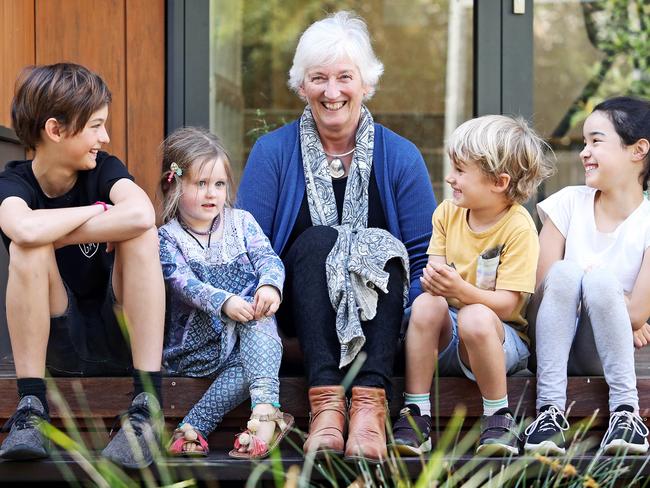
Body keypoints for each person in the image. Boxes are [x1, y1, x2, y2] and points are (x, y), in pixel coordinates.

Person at [237, 11, 436, 462]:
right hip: (296, 315)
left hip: (386, 321)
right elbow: (247, 250)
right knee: (320, 241)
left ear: (366, 83)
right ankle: (327, 410)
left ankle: (368, 410)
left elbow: (425, 261)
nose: (332, 92)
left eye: (345, 77)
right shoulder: (273, 154)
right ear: (301, 85)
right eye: (318, 78)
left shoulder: (401, 157)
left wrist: (406, 322)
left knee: (381, 247)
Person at [0, 63, 165, 469]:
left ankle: (148, 405)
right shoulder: (14, 182)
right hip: (59, 341)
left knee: (140, 235)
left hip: (118, 332)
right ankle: (32, 405)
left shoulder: (105, 168)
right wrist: (95, 214)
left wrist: (53, 231)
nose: (104, 138)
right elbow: (20, 226)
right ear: (55, 130)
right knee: (28, 246)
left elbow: (142, 215)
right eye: (95, 126)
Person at [391, 115, 554, 456]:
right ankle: (416, 412)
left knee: (476, 316)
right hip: (449, 335)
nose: (450, 177)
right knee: (425, 304)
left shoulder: (518, 227)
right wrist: (438, 283)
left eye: (461, 170)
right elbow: (435, 279)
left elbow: (509, 305)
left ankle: (498, 416)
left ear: (498, 181)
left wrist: (460, 292)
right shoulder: (447, 213)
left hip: (499, 340)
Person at [524, 96, 650, 456]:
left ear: (637, 150)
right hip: (550, 342)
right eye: (584, 143)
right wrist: (611, 302)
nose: (584, 152)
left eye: (596, 141)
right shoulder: (568, 202)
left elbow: (639, 314)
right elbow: (540, 289)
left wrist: (604, 292)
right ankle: (548, 411)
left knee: (599, 281)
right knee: (568, 273)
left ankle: (626, 412)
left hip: (600, 351)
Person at [158, 127, 291, 459]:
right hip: (195, 348)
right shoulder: (167, 238)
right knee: (258, 353)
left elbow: (268, 258)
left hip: (245, 341)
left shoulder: (241, 223)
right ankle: (262, 415)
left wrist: (269, 285)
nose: (211, 193)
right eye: (200, 184)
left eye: (218, 184)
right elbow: (185, 284)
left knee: (260, 322)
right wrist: (224, 301)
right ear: (174, 183)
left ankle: (258, 414)